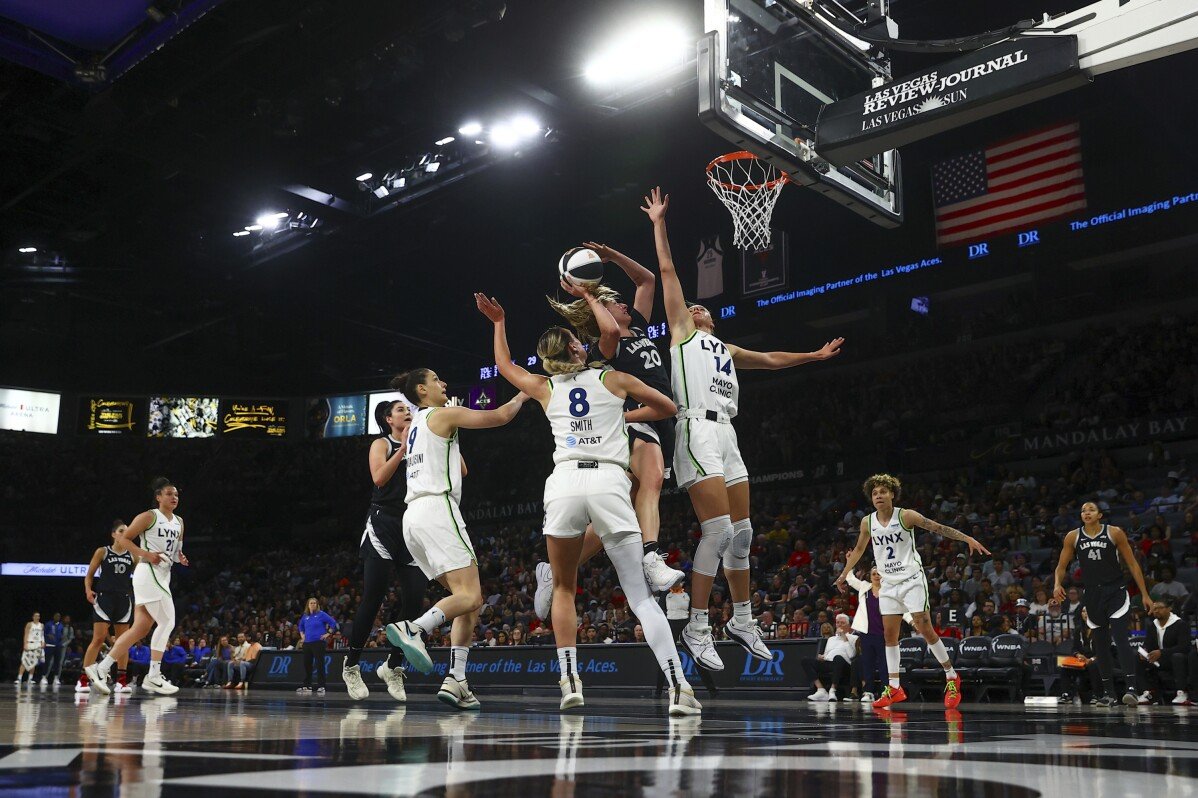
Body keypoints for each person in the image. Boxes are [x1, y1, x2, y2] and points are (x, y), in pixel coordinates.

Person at [642, 186, 844, 673]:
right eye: (690, 308)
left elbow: (772, 360)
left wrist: (812, 356)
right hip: (695, 430)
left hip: (727, 434)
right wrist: (658, 223)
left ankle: (743, 618)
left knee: (744, 532)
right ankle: (696, 624)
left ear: (711, 315)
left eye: (701, 308)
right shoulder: (682, 335)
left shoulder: (725, 349)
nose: (696, 310)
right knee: (717, 530)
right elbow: (667, 272)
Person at [475, 293, 700, 716]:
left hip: (564, 484)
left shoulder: (543, 388)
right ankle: (679, 688)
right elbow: (667, 407)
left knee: (563, 587)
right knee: (640, 597)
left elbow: (505, 367)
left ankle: (570, 682)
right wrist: (620, 417)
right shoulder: (613, 379)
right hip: (608, 481)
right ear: (578, 348)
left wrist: (499, 322)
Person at [537, 240, 686, 608]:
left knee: (610, 524)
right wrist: (590, 296)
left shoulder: (639, 329)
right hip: (636, 420)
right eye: (613, 303)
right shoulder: (607, 347)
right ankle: (651, 556)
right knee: (650, 483)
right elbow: (612, 333)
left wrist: (613, 257)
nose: (622, 304)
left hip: (660, 421)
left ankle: (552, 574)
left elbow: (647, 280)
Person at [385, 367, 530, 711]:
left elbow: (461, 468)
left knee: (467, 600)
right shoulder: (443, 414)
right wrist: (525, 393)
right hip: (437, 509)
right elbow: (500, 416)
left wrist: (453, 439)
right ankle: (414, 628)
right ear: (422, 389)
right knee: (470, 594)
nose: (444, 383)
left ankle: (457, 679)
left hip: (413, 520)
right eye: (437, 380)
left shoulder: (416, 425)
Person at [837, 473, 990, 710]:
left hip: (911, 580)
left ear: (892, 494)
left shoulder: (906, 515)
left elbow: (937, 527)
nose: (878, 496)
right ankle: (895, 688)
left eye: (883, 492)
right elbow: (858, 549)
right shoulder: (867, 522)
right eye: (875, 493)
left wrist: (966, 537)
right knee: (890, 636)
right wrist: (843, 573)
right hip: (888, 584)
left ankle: (951, 676)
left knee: (924, 628)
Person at [343, 397, 428, 703]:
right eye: (402, 410)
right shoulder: (383, 444)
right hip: (383, 522)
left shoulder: (423, 440)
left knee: (415, 599)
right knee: (374, 596)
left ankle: (393, 665)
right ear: (389, 420)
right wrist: (404, 448)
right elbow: (379, 478)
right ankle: (351, 664)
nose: (408, 413)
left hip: (412, 523)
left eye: (410, 410)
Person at [85, 477, 188, 696]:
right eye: (169, 494)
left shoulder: (179, 522)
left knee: (140, 628)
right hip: (147, 573)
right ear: (158, 497)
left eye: (176, 494)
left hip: (163, 575)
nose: (174, 497)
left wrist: (181, 558)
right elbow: (124, 540)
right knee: (167, 621)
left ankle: (101, 668)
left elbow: (176, 553)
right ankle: (153, 675)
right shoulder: (149, 516)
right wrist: (146, 554)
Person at [1052, 501, 1152, 707]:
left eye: (1091, 510)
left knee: (1120, 637)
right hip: (1092, 593)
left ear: (1099, 515)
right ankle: (1108, 693)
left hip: (1115, 591)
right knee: (1101, 645)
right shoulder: (1073, 536)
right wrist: (1056, 584)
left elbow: (1132, 563)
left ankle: (1131, 689)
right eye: (1083, 510)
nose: (1086, 513)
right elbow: (1061, 566)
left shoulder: (1114, 533)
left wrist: (1144, 594)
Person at [843, 566, 912, 703]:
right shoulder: (864, 587)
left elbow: (901, 608)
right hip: (867, 633)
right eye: (874, 574)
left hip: (885, 634)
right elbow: (850, 579)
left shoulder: (890, 591)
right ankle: (868, 692)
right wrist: (850, 562)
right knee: (867, 662)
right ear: (870, 576)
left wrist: (911, 621)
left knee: (884, 664)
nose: (876, 576)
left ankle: (886, 691)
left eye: (879, 574)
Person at [80, 521, 135, 694]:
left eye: (127, 531)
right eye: (121, 531)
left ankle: (121, 682)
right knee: (99, 638)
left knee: (122, 642)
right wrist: (88, 590)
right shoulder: (102, 551)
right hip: (105, 598)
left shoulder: (134, 554)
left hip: (124, 599)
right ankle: (83, 680)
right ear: (113, 534)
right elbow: (89, 575)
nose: (124, 533)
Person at [1136, 597, 1190, 704]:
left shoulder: (1180, 624)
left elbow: (1184, 647)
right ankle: (1147, 693)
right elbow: (1148, 644)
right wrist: (1144, 651)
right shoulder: (1152, 625)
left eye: (1160, 608)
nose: (1156, 611)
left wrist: (1161, 652)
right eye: (1154, 608)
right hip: (1157, 660)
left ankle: (1181, 693)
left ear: (1169, 608)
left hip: (1173, 660)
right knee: (1136, 657)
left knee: (1177, 657)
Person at [804, 613, 857, 702]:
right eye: (837, 623)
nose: (839, 625)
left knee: (838, 658)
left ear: (848, 625)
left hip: (845, 665)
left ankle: (832, 690)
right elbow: (827, 654)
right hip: (829, 662)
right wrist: (823, 657)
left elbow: (851, 655)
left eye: (842, 623)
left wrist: (844, 638)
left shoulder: (854, 638)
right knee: (806, 660)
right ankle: (821, 690)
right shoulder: (831, 639)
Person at [1059, 607, 1103, 704]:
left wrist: (1091, 659)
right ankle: (1066, 694)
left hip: (1098, 659)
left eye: (1088, 611)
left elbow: (1104, 650)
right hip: (1082, 660)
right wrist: (1078, 655)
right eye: (1083, 612)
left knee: (1094, 665)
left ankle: (1097, 695)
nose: (1085, 614)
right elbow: (1074, 648)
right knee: (1064, 666)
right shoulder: (1078, 629)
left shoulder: (1101, 629)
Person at [297, 597, 339, 695]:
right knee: (307, 664)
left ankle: (321, 686)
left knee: (320, 664)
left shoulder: (321, 614)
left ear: (317, 605)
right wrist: (302, 635)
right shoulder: (305, 616)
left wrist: (328, 633)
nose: (313, 605)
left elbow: (333, 623)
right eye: (311, 603)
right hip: (307, 643)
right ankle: (307, 685)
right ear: (308, 605)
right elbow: (300, 626)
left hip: (318, 643)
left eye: (314, 603)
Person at [15, 612, 43, 685]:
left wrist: (43, 642)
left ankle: (30, 679)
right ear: (33, 617)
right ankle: (19, 678)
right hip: (29, 643)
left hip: (37, 645)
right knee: (24, 661)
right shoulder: (29, 624)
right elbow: (26, 634)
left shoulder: (41, 625)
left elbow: (42, 635)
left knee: (33, 663)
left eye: (38, 616)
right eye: (36, 616)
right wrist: (25, 644)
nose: (37, 617)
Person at [41, 613, 63, 686]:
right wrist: (48, 636)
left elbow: (61, 634)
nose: (57, 617)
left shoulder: (61, 625)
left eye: (59, 616)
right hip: (49, 645)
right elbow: (43, 633)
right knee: (47, 662)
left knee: (57, 662)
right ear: (53, 616)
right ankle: (44, 677)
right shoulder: (48, 624)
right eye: (56, 616)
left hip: (58, 646)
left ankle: (56, 678)